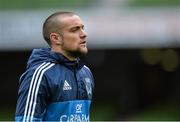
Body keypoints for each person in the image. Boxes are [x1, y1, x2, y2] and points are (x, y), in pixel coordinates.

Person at [15, 11, 94, 121]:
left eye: (82, 28)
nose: (83, 34)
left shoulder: (85, 72)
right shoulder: (40, 74)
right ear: (56, 38)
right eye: (74, 30)